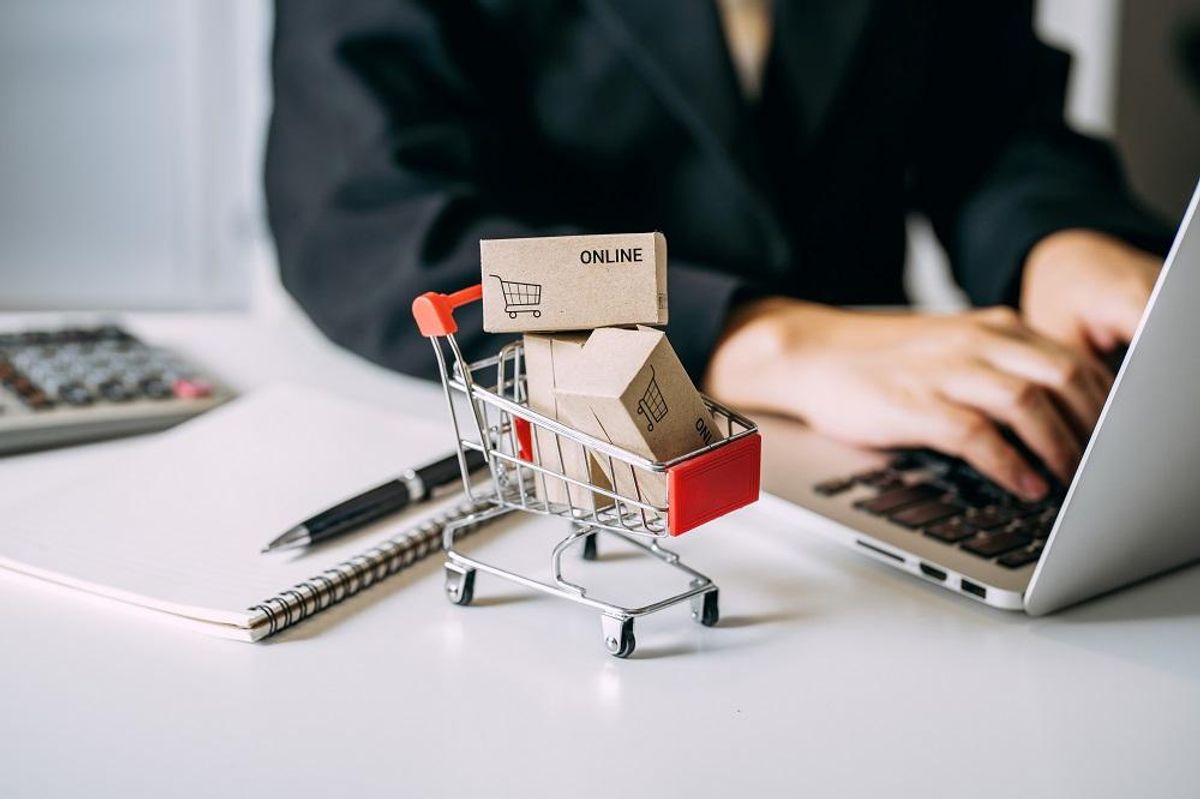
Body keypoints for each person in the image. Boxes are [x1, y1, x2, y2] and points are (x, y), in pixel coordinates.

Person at [266, 0, 1172, 501]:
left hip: (891, 454)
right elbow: (375, 221)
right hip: (560, 461)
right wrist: (757, 336)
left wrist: (1061, 242)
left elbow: (991, 116)